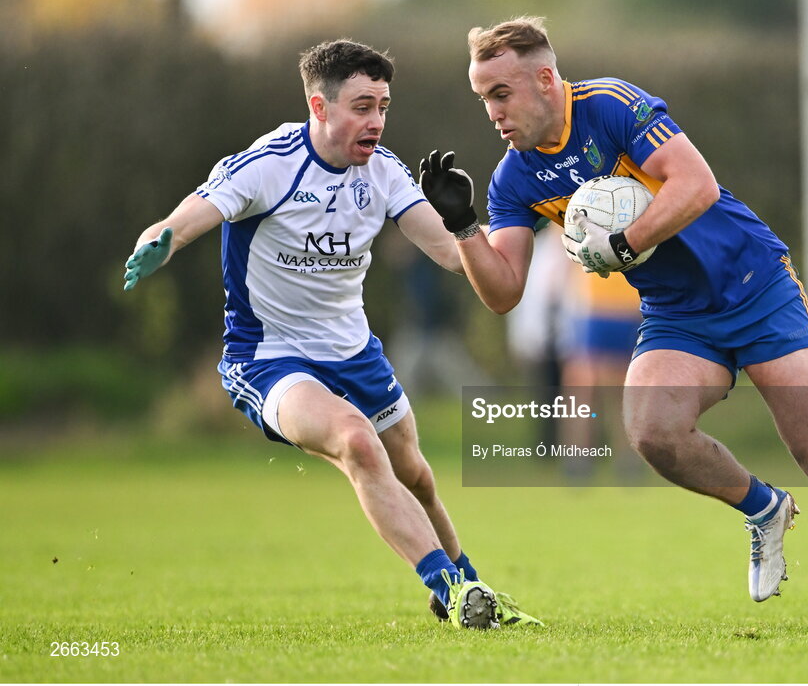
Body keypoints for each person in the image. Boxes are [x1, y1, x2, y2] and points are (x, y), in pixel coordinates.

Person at [418, 17, 808, 628]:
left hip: (755, 284)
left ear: (546, 80)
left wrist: (625, 243)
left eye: (500, 94)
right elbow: (503, 291)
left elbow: (697, 184)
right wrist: (464, 226)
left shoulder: (610, 105)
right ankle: (764, 508)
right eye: (483, 100)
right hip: (677, 314)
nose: (493, 113)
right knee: (652, 432)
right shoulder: (514, 179)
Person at [122, 38, 542, 630]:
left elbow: (454, 256)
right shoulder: (269, 165)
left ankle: (470, 585)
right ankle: (450, 589)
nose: (376, 122)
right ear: (319, 108)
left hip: (354, 351)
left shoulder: (386, 173)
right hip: (269, 359)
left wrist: (467, 223)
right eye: (362, 107)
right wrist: (159, 239)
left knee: (415, 473)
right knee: (356, 441)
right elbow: (190, 216)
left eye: (384, 107)